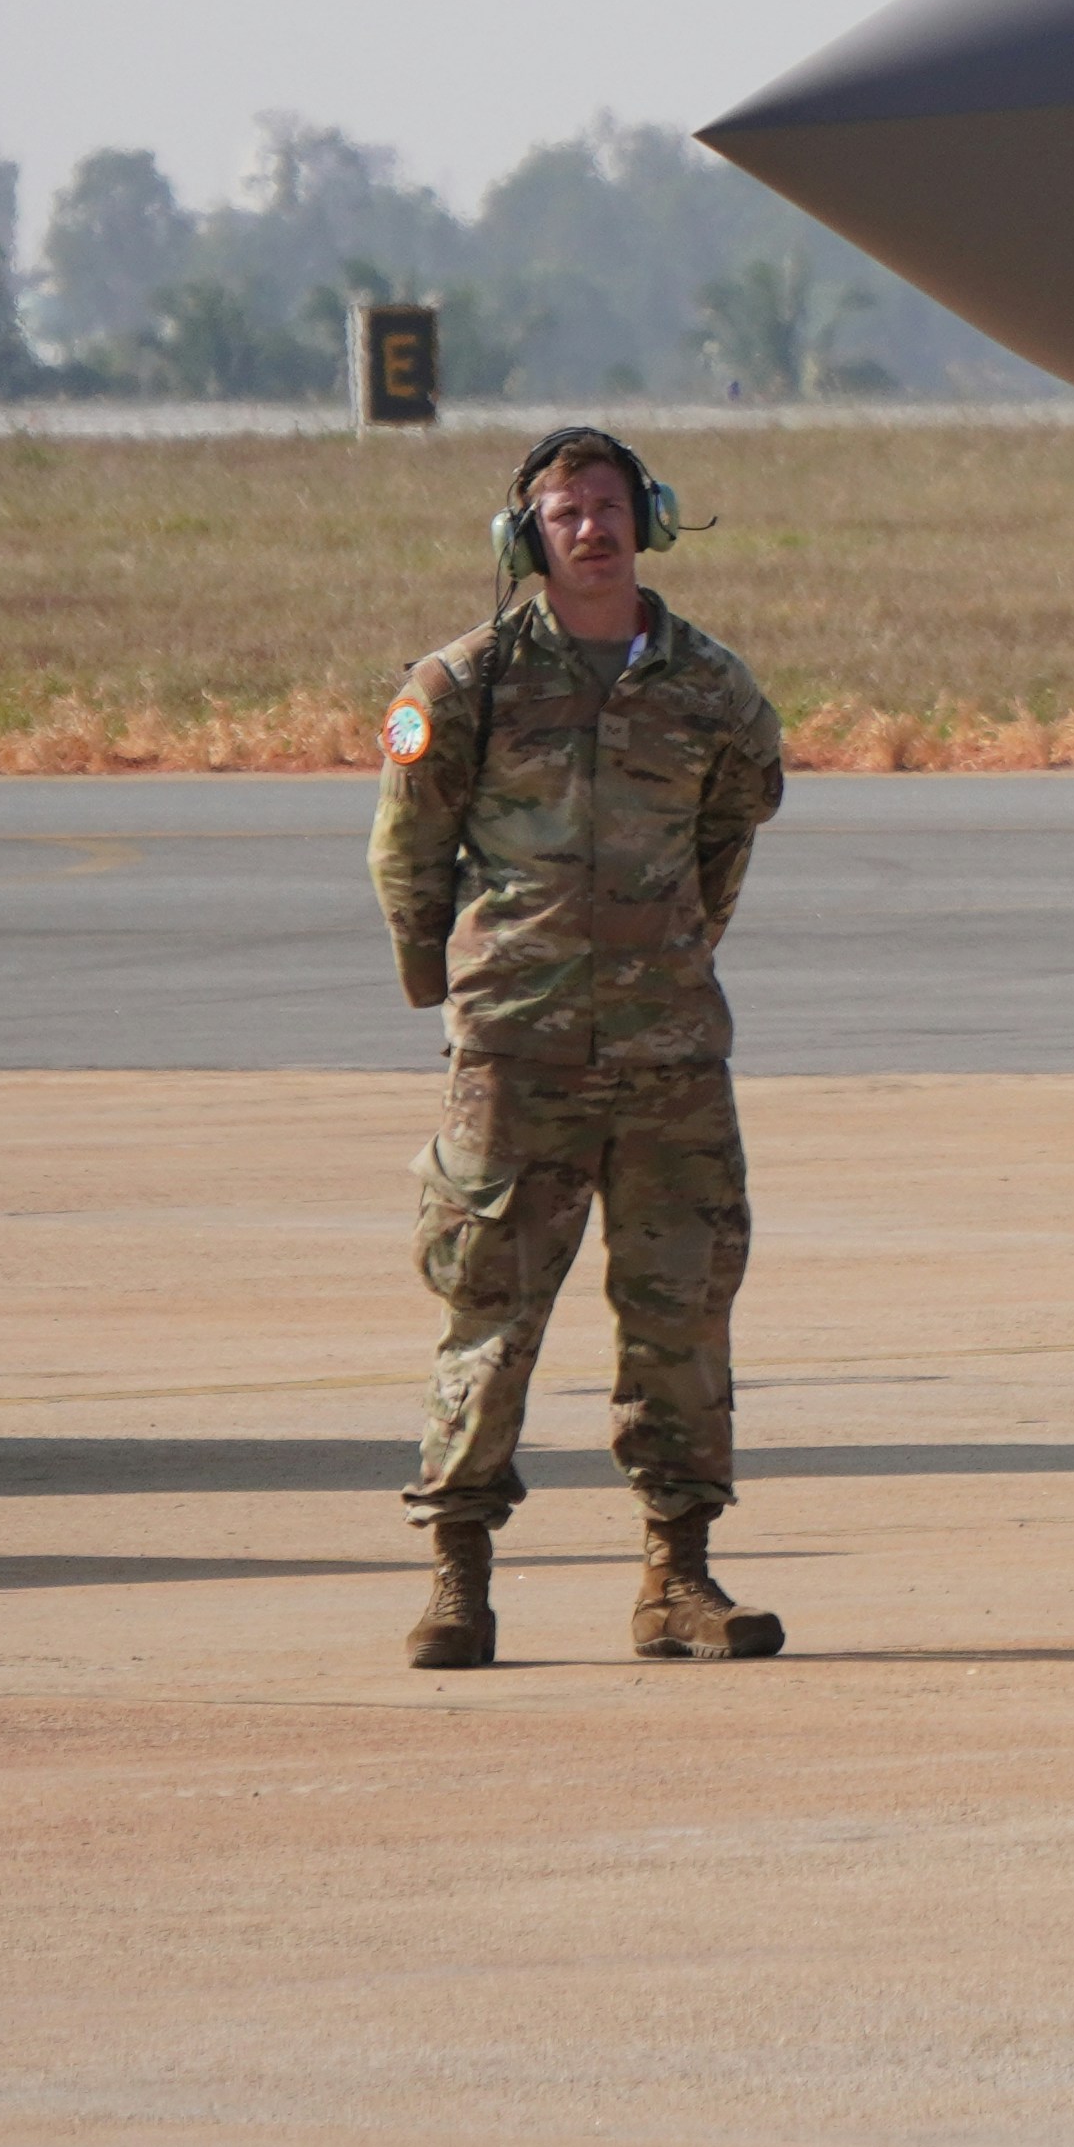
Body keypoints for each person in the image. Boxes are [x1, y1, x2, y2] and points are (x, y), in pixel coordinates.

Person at [370, 426, 792, 1667]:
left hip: (670, 1060)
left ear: (646, 520)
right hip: (517, 1056)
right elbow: (409, 847)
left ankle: (680, 1578)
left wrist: (673, 956)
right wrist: (446, 982)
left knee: (682, 1320)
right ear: (527, 538)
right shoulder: (463, 686)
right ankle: (459, 1578)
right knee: (489, 1317)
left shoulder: (711, 686)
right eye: (567, 513)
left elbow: (736, 819)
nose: (593, 530)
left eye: (610, 506)